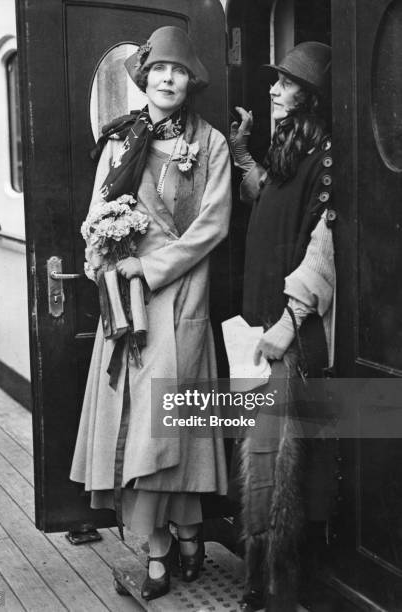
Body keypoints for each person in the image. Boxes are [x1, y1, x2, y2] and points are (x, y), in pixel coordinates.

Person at [70, 26, 231, 601]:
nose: (167, 79)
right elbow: (97, 214)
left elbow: (214, 225)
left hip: (182, 296)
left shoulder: (210, 143)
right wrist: (106, 260)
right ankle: (160, 549)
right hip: (130, 313)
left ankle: (190, 533)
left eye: (178, 71)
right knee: (141, 429)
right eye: (159, 69)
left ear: (191, 81)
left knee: (174, 429)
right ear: (144, 77)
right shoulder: (120, 141)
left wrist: (152, 265)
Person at [229, 42, 336, 611]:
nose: (273, 89)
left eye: (286, 83)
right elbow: (267, 194)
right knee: (261, 453)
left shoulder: (327, 158)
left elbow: (324, 250)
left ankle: (276, 588)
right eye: (275, 80)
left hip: (286, 331)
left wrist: (288, 325)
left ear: (311, 96)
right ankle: (257, 578)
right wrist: (243, 156)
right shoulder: (293, 148)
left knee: (277, 461)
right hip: (263, 322)